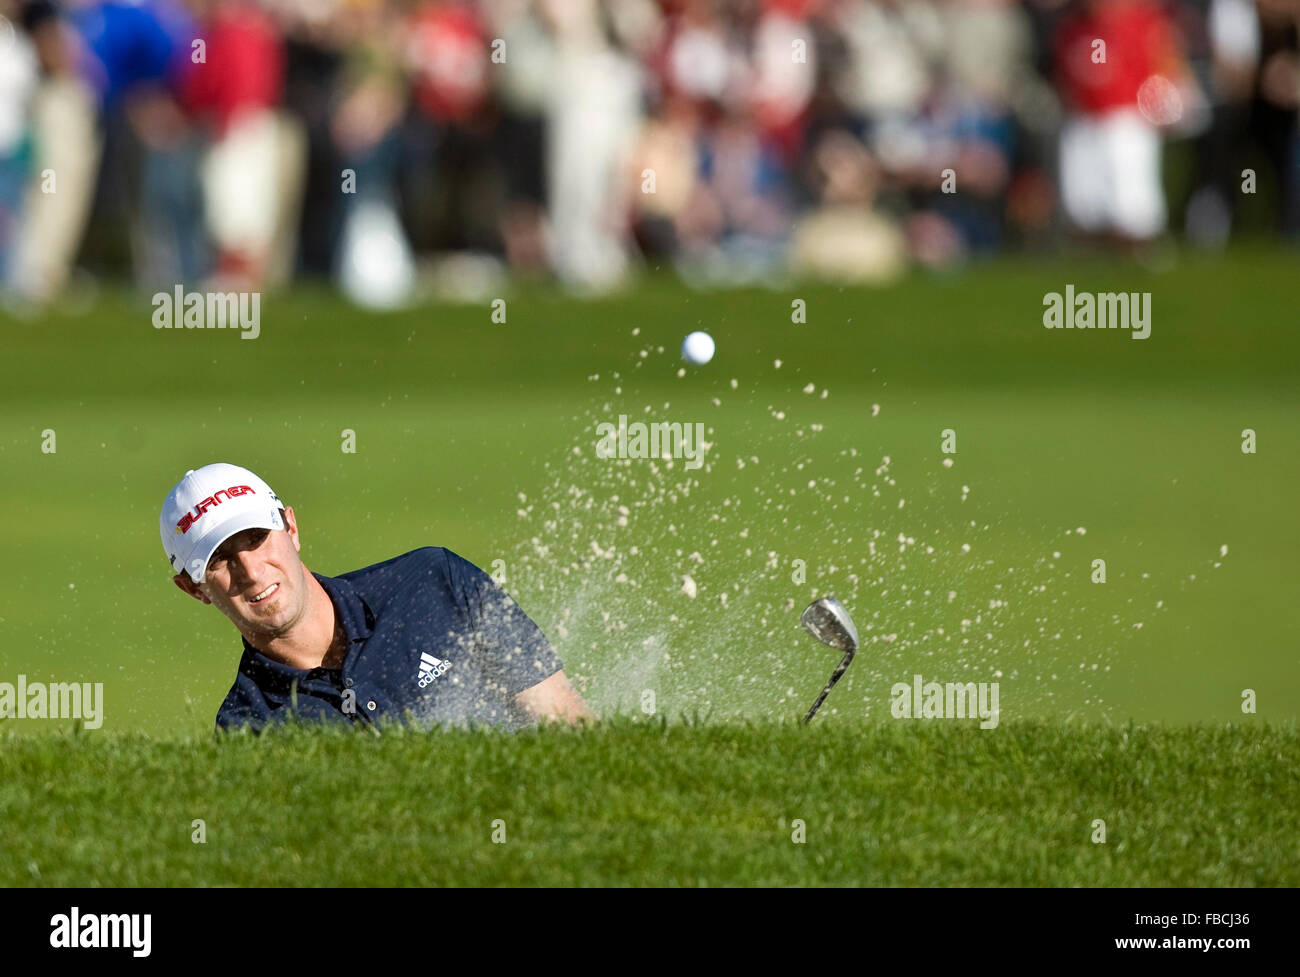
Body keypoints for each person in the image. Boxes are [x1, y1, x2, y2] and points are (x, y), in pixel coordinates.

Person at [159, 463, 593, 734]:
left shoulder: (433, 582)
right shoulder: (249, 726)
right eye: (220, 561)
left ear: (291, 527)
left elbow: (567, 725)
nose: (251, 573)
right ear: (193, 588)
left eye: (257, 538)